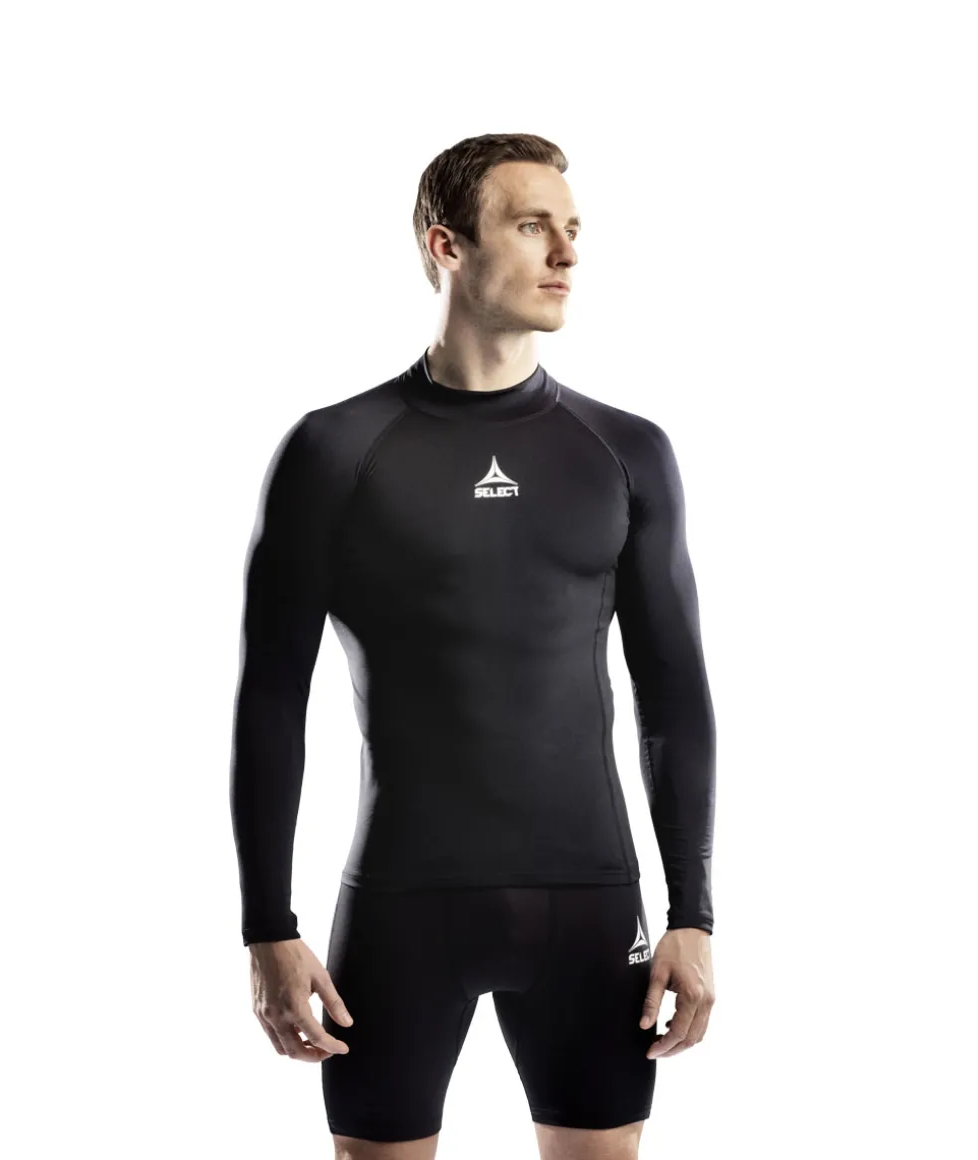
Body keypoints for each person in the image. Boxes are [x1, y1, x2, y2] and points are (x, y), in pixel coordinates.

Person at [229, 132, 717, 1160]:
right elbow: (270, 696)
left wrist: (694, 911)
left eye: (572, 228)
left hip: (593, 906)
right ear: (445, 244)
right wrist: (266, 925)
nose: (566, 253)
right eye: (532, 225)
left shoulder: (624, 451)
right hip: (401, 909)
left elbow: (672, 693)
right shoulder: (336, 450)